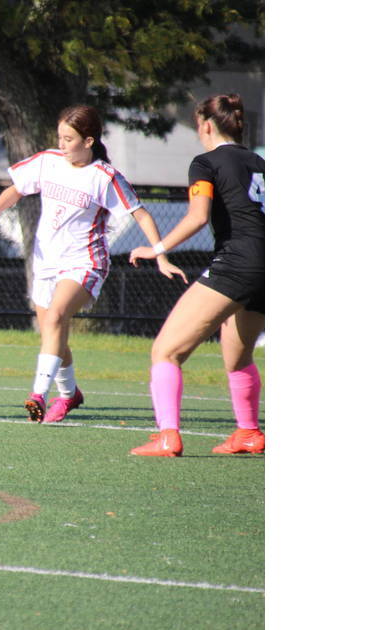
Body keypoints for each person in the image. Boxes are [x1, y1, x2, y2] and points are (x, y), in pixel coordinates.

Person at [0, 105, 181, 423]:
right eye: (59, 137)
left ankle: (37, 395)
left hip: (85, 262)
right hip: (46, 262)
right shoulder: (48, 161)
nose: (62, 144)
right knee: (53, 330)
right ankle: (69, 394)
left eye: (69, 138)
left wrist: (161, 255)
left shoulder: (104, 177)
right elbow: (17, 190)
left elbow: (140, 213)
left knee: (57, 316)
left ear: (89, 141)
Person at [129, 94, 264, 457]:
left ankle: (167, 435)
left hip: (237, 262)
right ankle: (248, 432)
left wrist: (156, 249)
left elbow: (197, 217)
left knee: (166, 350)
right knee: (238, 357)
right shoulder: (260, 162)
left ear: (206, 124)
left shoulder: (206, 162)